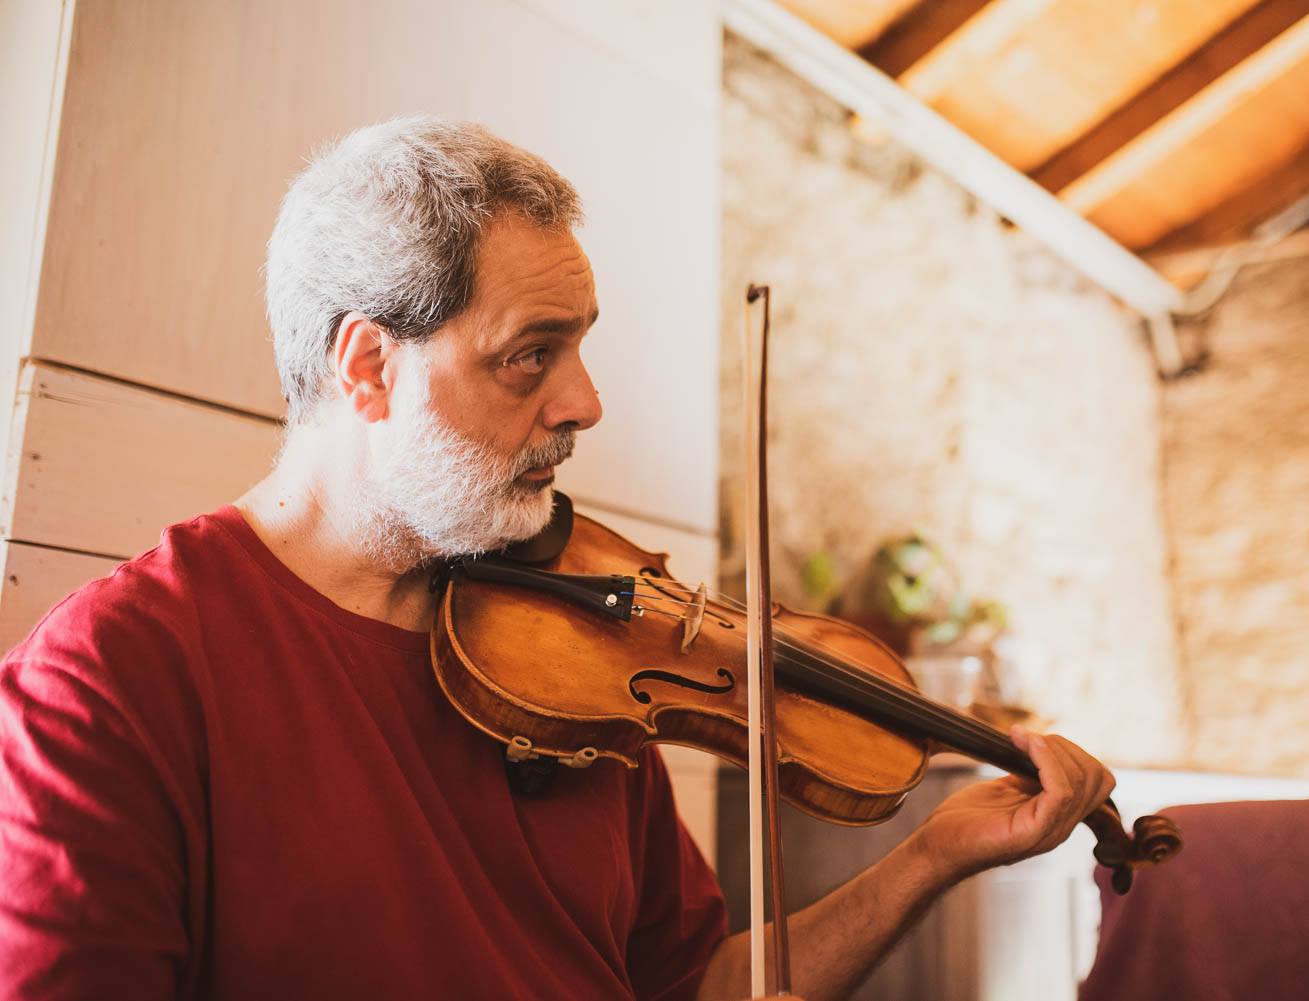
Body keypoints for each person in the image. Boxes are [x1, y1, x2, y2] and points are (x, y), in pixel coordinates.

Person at [0, 117, 1115, 1001]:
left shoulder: (579, 649)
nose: (584, 401)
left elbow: (692, 984)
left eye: (580, 346)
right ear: (368, 366)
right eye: (531, 356)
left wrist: (930, 858)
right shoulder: (109, 682)